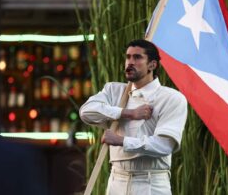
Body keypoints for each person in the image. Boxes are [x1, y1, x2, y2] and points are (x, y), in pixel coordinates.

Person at [79, 39, 187, 195]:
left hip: (151, 183)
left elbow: (164, 145)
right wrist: (127, 113)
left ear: (152, 65)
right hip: (116, 180)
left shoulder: (171, 98)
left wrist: (121, 141)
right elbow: (86, 112)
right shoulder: (113, 91)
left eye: (137, 57)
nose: (130, 62)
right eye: (128, 57)